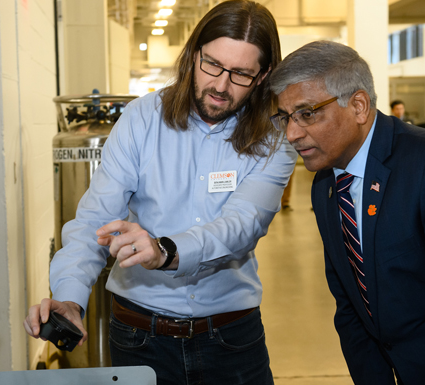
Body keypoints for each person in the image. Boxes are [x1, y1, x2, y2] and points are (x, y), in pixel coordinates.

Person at [24, 1, 297, 384]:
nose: (220, 85)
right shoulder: (141, 119)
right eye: (212, 65)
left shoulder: (274, 137)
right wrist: (70, 297)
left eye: (240, 74)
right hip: (139, 337)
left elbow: (242, 224)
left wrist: (165, 251)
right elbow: (95, 220)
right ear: (193, 54)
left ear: (263, 75)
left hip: (232, 340)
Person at [269, 40, 425, 385]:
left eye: (307, 113)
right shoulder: (325, 185)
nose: (292, 133)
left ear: (359, 105)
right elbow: (349, 304)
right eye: (285, 117)